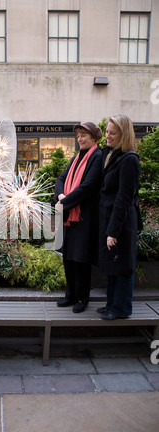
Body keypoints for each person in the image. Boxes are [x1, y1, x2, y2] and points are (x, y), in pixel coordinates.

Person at [54, 122, 103, 313]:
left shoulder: (97, 157)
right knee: (69, 257)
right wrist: (61, 197)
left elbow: (88, 187)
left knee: (81, 258)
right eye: (79, 135)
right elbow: (61, 179)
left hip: (84, 217)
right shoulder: (76, 158)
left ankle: (83, 298)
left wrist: (65, 202)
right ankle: (70, 295)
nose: (80, 138)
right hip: (70, 215)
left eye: (84, 135)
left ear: (94, 138)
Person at [97, 114, 141, 320]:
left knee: (123, 266)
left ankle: (121, 309)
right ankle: (111, 304)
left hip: (122, 222)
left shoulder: (129, 160)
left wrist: (113, 231)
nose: (107, 135)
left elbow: (124, 198)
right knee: (113, 263)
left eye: (112, 133)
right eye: (107, 131)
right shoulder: (114, 155)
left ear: (123, 135)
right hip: (111, 217)